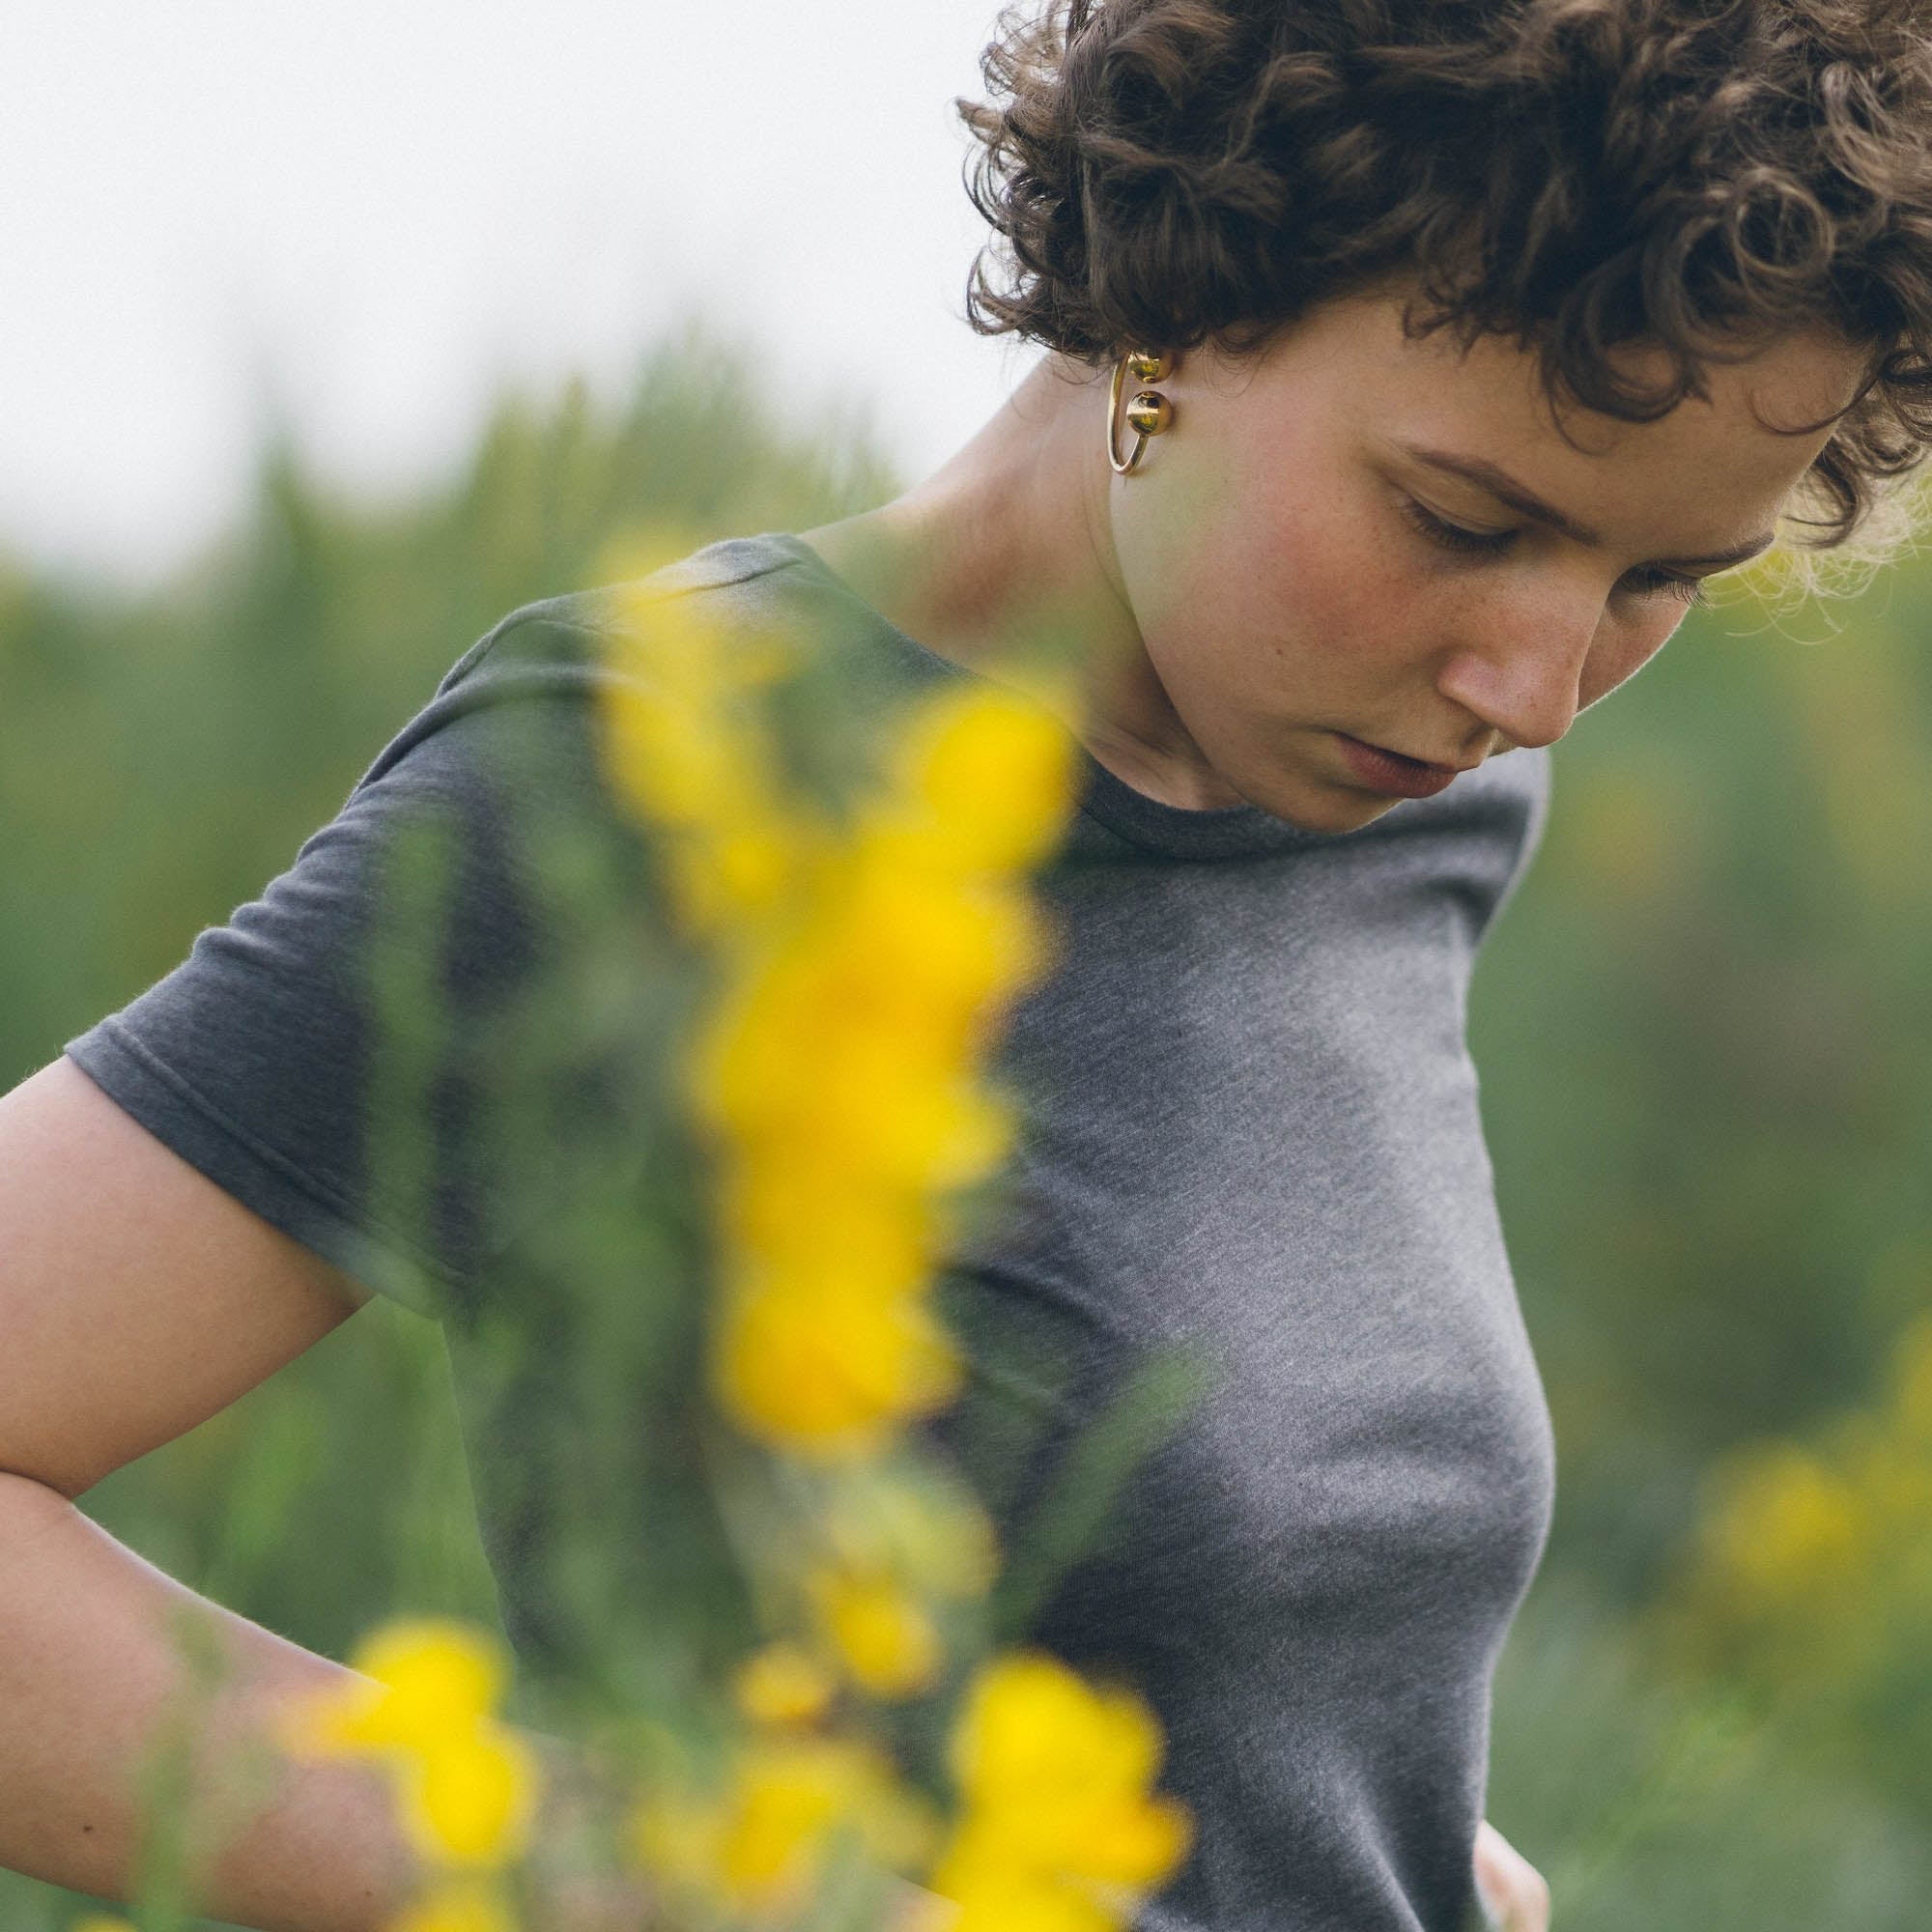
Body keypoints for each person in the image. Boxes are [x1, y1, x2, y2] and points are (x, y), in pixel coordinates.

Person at [3, 1, 1930, 1928]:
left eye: (1660, 577)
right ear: (1172, 303)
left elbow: (1219, 1624)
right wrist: (625, 1885)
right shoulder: (660, 780)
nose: (1536, 689)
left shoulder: (1407, 801)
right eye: (1459, 518)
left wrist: (1393, 1838)